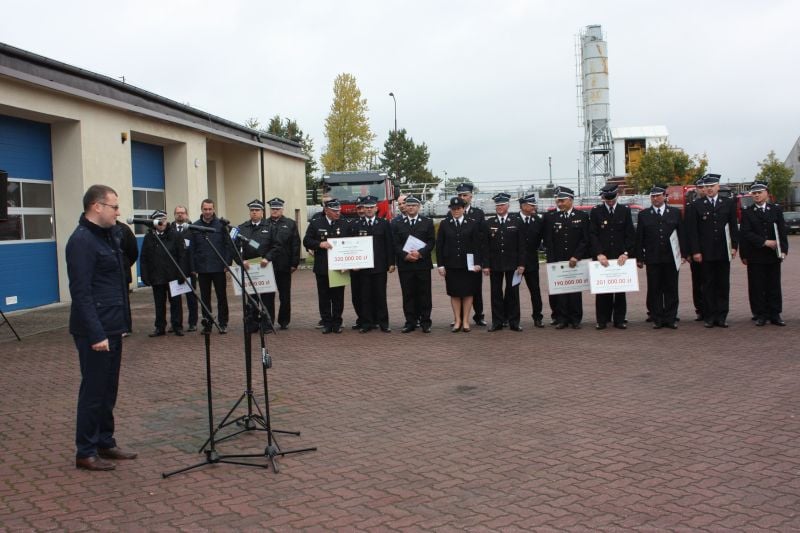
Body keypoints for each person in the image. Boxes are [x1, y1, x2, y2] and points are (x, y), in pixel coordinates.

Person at [66, 184, 137, 471]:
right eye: (114, 207)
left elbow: (117, 283)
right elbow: (81, 292)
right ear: (97, 206)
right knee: (94, 391)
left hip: (113, 325)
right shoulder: (82, 241)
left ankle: (105, 441)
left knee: (109, 390)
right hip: (94, 331)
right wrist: (96, 334)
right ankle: (85, 451)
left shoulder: (110, 237)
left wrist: (121, 324)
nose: (118, 212)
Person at [686, 174, 739, 328]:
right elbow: (693, 231)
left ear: (718, 187)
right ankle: (709, 316)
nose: (709, 189)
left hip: (723, 251)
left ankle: (722, 316)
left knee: (723, 285)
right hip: (705, 252)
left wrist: (734, 246)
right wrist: (696, 251)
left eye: (712, 186)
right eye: (707, 186)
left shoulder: (728, 203)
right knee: (707, 285)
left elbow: (733, 226)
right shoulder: (696, 205)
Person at [739, 180, 788, 326]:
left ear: (767, 193)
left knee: (774, 285)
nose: (757, 195)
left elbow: (782, 231)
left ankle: (775, 314)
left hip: (773, 254)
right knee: (757, 286)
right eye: (754, 193)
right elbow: (746, 233)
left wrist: (784, 250)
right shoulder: (747, 212)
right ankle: (760, 314)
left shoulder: (776, 210)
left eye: (759, 192)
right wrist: (763, 242)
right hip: (756, 255)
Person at [635, 186, 684, 329]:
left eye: (658, 195)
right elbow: (640, 238)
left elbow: (681, 234)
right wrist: (639, 257)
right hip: (653, 258)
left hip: (671, 258)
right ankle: (657, 318)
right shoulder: (644, 215)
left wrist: (684, 254)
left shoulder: (675, 213)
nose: (655, 198)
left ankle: (670, 318)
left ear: (664, 196)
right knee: (654, 288)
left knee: (671, 288)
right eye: (653, 196)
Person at [543, 186, 590, 329]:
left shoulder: (581, 216)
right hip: (558, 260)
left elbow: (585, 239)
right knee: (561, 291)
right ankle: (562, 319)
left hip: (575, 261)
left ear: (570, 200)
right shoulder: (552, 217)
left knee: (575, 290)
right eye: (558, 201)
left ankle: (575, 319)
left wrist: (577, 256)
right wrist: (552, 261)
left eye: (562, 201)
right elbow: (548, 241)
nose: (559, 203)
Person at [589, 183, 635, 330]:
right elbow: (593, 235)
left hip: (619, 257)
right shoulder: (596, 212)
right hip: (603, 257)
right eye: (607, 199)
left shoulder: (624, 211)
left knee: (620, 291)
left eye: (612, 199)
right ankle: (602, 320)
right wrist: (598, 253)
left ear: (617, 196)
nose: (609, 202)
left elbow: (629, 234)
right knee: (602, 291)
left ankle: (619, 319)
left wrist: (626, 253)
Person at [436, 197, 483, 332]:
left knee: (468, 293)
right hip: (451, 265)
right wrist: (440, 265)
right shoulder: (445, 224)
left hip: (468, 265)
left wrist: (478, 263)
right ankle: (457, 320)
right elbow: (439, 246)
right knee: (454, 293)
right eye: (453, 209)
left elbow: (477, 245)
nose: (456, 211)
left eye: (458, 208)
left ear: (463, 209)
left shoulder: (472, 223)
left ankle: (466, 321)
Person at [351, 195, 396, 332]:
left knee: (380, 295)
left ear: (376, 208)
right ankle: (367, 323)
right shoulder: (356, 224)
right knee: (365, 296)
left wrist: (391, 262)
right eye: (366, 207)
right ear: (363, 209)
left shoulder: (384, 224)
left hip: (379, 266)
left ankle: (383, 323)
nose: (369, 210)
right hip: (363, 267)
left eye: (371, 207)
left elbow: (389, 244)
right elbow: (351, 245)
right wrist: (352, 263)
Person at [139, 210, 187, 337]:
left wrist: (182, 273)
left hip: (173, 275)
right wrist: (145, 275)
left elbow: (182, 256)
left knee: (176, 303)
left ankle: (177, 326)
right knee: (159, 303)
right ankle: (160, 327)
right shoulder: (149, 237)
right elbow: (144, 258)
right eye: (159, 221)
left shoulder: (175, 235)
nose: (162, 223)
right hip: (157, 276)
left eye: (164, 220)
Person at [190, 198, 234, 334]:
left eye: (210, 209)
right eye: (205, 209)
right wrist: (193, 267)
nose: (208, 211)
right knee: (205, 298)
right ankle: (207, 323)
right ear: (201, 209)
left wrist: (227, 262)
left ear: (214, 209)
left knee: (222, 296)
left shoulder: (221, 225)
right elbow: (192, 249)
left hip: (219, 266)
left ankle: (223, 323)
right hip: (202, 268)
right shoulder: (195, 226)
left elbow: (228, 245)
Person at [483, 193, 525, 331]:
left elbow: (521, 245)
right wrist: (486, 265)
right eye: (497, 205)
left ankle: (514, 322)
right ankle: (497, 321)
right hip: (495, 263)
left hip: (513, 263)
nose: (499, 207)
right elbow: (485, 246)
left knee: (513, 293)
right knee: (496, 293)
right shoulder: (489, 223)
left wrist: (521, 264)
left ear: (508, 206)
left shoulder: (516, 221)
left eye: (502, 205)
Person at [392, 195, 435, 333]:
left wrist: (420, 253)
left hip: (422, 264)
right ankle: (410, 322)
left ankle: (425, 322)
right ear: (405, 207)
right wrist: (405, 255)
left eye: (414, 205)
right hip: (406, 265)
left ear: (419, 207)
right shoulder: (398, 223)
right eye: (408, 205)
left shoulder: (427, 222)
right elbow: (395, 243)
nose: (411, 208)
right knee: (408, 294)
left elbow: (431, 241)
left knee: (425, 294)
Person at [303, 198, 347, 333]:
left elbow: (351, 242)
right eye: (334, 211)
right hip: (322, 267)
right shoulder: (316, 223)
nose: (337, 213)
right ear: (326, 210)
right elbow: (306, 241)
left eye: (339, 210)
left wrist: (349, 263)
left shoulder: (344, 223)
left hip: (339, 267)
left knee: (338, 297)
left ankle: (337, 323)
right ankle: (327, 323)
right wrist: (319, 244)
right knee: (324, 297)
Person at [262, 197, 301, 329]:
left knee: (285, 296)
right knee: (268, 296)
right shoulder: (264, 224)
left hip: (284, 264)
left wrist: (294, 263)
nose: (275, 211)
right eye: (273, 208)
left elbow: (295, 244)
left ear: (282, 209)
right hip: (268, 265)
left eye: (277, 209)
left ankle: (284, 321)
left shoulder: (290, 224)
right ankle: (269, 321)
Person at [453, 183, 487, 326]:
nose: (462, 197)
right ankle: (459, 317)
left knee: (476, 287)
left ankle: (479, 315)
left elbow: (483, 236)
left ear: (471, 196)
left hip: (473, 256)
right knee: (458, 287)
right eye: (460, 195)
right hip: (458, 257)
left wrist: (480, 259)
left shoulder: (478, 213)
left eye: (465, 195)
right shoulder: (453, 212)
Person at [236, 199, 272, 331]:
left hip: (265, 266)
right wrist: (241, 261)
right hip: (249, 267)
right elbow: (234, 247)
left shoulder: (270, 227)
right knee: (251, 299)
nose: (254, 212)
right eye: (252, 210)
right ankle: (252, 324)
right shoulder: (242, 228)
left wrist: (268, 258)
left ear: (262, 212)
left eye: (257, 210)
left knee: (267, 299)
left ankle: (267, 324)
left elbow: (277, 246)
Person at [518, 194, 545, 328]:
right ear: (523, 206)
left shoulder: (537, 220)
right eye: (531, 205)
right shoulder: (514, 219)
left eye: (534, 205)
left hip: (532, 261)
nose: (534, 207)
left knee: (535, 291)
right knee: (512, 291)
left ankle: (537, 317)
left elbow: (541, 238)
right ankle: (510, 317)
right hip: (516, 263)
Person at [172, 205, 198, 331]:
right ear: (174, 215)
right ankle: (176, 324)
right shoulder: (170, 229)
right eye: (178, 213)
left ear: (186, 214)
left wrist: (194, 268)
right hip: (174, 269)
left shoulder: (192, 229)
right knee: (175, 300)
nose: (180, 214)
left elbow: (195, 250)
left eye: (182, 212)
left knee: (191, 299)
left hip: (189, 269)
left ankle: (193, 323)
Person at [686, 177, 706, 321]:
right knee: (698, 282)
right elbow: (688, 232)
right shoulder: (692, 206)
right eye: (700, 187)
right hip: (696, 252)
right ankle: (700, 309)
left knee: (713, 282)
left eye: (705, 187)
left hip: (713, 252)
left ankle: (713, 308)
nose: (703, 190)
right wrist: (689, 252)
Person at [115, 220, 138, 336]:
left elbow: (133, 251)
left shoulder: (124, 229)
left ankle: (125, 327)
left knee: (123, 300)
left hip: (122, 272)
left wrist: (124, 264)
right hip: (106, 275)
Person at [349, 197, 367, 330]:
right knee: (356, 294)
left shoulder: (375, 223)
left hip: (370, 266)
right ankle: (361, 318)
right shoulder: (351, 224)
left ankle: (372, 318)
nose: (361, 211)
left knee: (370, 294)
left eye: (363, 208)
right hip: (355, 266)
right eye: (358, 208)